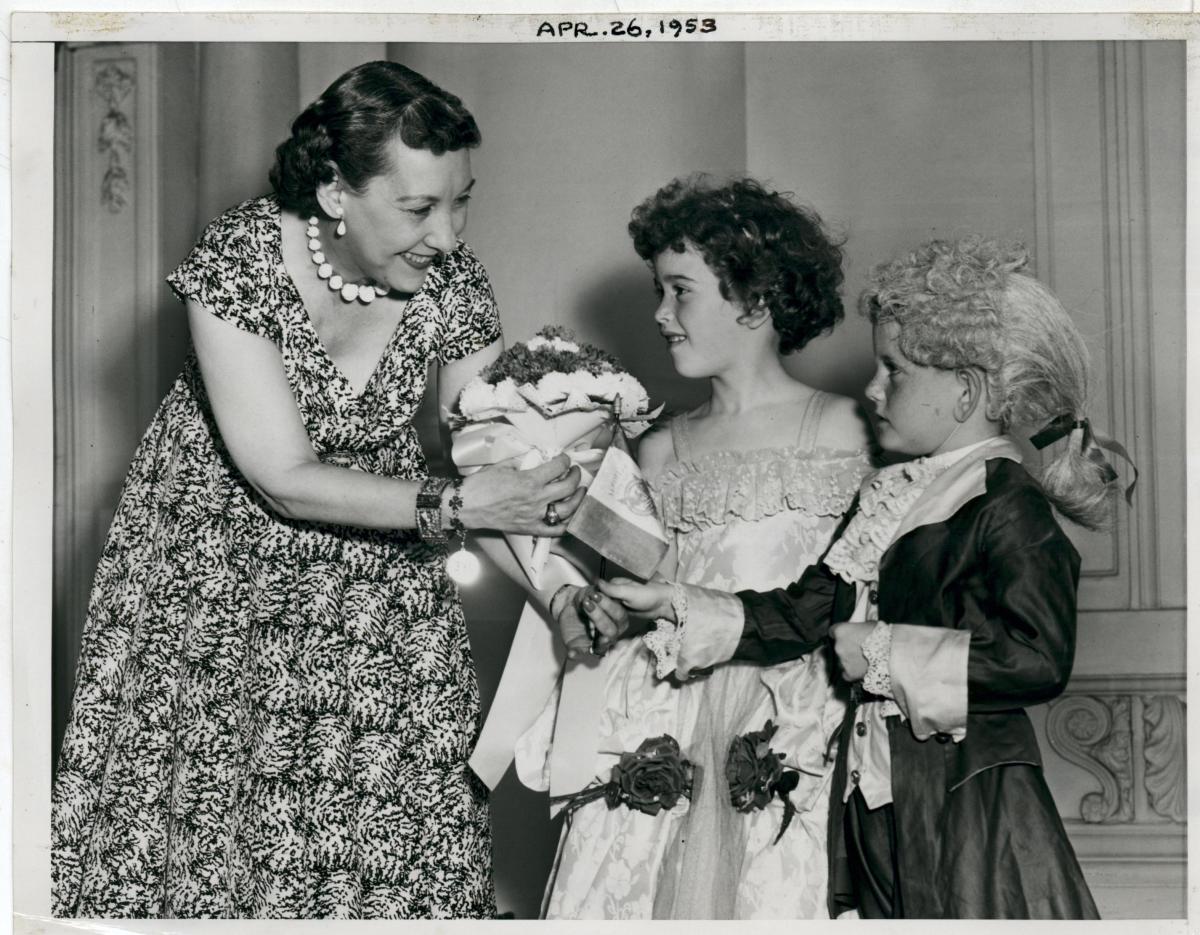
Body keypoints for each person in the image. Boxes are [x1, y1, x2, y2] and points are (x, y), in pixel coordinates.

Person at [51, 60, 584, 919]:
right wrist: (454, 504)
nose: (446, 235)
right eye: (417, 207)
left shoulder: (454, 283)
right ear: (336, 190)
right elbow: (284, 478)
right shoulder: (242, 257)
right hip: (222, 591)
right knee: (228, 855)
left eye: (462, 200)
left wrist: (556, 593)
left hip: (379, 598)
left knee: (411, 839)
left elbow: (493, 470)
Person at [598, 235, 1115, 919]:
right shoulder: (890, 496)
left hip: (968, 803)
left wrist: (882, 650)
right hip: (877, 804)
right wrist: (680, 602)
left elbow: (1039, 657)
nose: (873, 389)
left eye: (893, 371)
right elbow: (805, 610)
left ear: (966, 389)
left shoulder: (1007, 504)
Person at [529, 176, 872, 918]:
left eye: (680, 291)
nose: (659, 314)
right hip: (666, 721)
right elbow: (610, 593)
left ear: (756, 298)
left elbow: (858, 595)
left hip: (792, 718)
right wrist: (599, 608)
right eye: (660, 290)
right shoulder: (653, 453)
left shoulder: (848, 432)